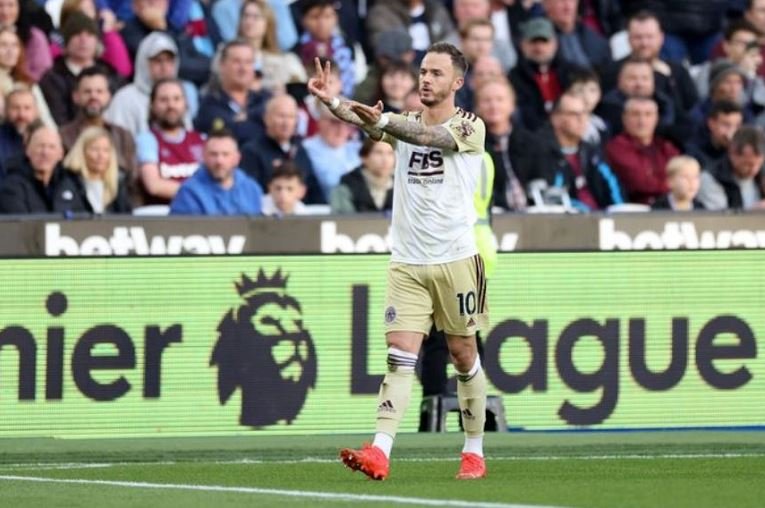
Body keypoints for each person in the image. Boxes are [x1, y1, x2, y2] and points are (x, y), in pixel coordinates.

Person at [308, 42, 489, 480]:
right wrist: (332, 100)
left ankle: (473, 450)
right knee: (399, 356)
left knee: (463, 356)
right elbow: (364, 120)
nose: (425, 79)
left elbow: (428, 137)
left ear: (457, 83)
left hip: (457, 259)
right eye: (423, 71)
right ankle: (380, 449)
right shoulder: (401, 122)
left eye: (436, 74)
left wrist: (384, 121)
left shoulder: (470, 127)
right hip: (407, 261)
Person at [60, 66, 138, 179]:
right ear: (76, 96)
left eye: (99, 91)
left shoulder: (124, 136)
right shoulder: (63, 136)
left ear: (109, 96)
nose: (93, 96)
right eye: (87, 91)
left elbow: (132, 177)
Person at [135, 78, 205, 205]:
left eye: (176, 99)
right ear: (152, 105)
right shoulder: (147, 140)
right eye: (163, 100)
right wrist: (201, 193)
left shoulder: (201, 139)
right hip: (162, 215)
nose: (171, 105)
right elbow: (154, 186)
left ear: (186, 104)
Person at [169, 129, 264, 215]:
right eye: (213, 154)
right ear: (204, 157)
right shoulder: (189, 192)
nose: (219, 161)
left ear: (237, 158)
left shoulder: (252, 189)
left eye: (225, 154)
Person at [605, 96, 680, 205]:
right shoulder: (616, 147)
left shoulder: (666, 147)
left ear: (656, 118)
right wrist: (672, 184)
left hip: (668, 207)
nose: (642, 121)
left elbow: (681, 175)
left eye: (648, 114)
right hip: (632, 209)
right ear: (624, 118)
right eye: (635, 114)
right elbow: (641, 183)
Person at [0, 122, 88, 214]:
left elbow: (84, 221)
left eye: (51, 147)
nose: (45, 153)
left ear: (61, 154)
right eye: (40, 146)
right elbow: (17, 225)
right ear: (27, 150)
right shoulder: (12, 186)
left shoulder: (71, 183)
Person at [62, 126, 132, 213]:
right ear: (82, 152)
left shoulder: (118, 184)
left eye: (106, 150)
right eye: (95, 149)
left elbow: (127, 218)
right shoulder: (68, 181)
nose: (101, 156)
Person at [697, 125, 765, 210]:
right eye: (747, 164)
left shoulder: (761, 175)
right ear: (732, 154)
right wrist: (754, 212)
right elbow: (717, 219)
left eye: (759, 164)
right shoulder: (710, 178)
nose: (754, 170)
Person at [330, 137, 395, 213]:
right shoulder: (346, 185)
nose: (385, 159)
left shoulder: (400, 185)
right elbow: (344, 221)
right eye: (378, 153)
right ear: (364, 157)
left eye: (390, 153)